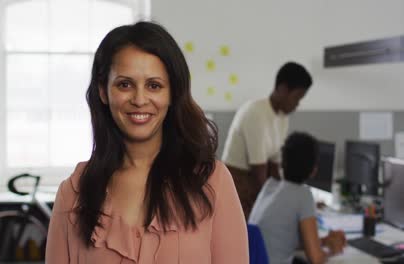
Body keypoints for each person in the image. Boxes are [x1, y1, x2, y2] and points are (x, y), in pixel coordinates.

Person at [45, 21, 249, 263]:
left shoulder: (212, 182)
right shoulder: (73, 193)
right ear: (103, 91)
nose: (140, 99)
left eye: (154, 85)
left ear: (173, 92)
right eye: (125, 84)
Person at [222, 61, 313, 219]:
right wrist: (279, 205)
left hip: (257, 185)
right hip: (237, 187)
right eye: (297, 97)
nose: (298, 104)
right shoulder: (256, 112)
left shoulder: (282, 117)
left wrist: (286, 198)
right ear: (283, 89)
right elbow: (259, 174)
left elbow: (274, 169)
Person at [249, 132, 346, 264]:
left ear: (282, 162)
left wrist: (323, 241)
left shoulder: (270, 185)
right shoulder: (303, 195)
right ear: (314, 169)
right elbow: (316, 259)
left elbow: (280, 241)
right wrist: (334, 250)